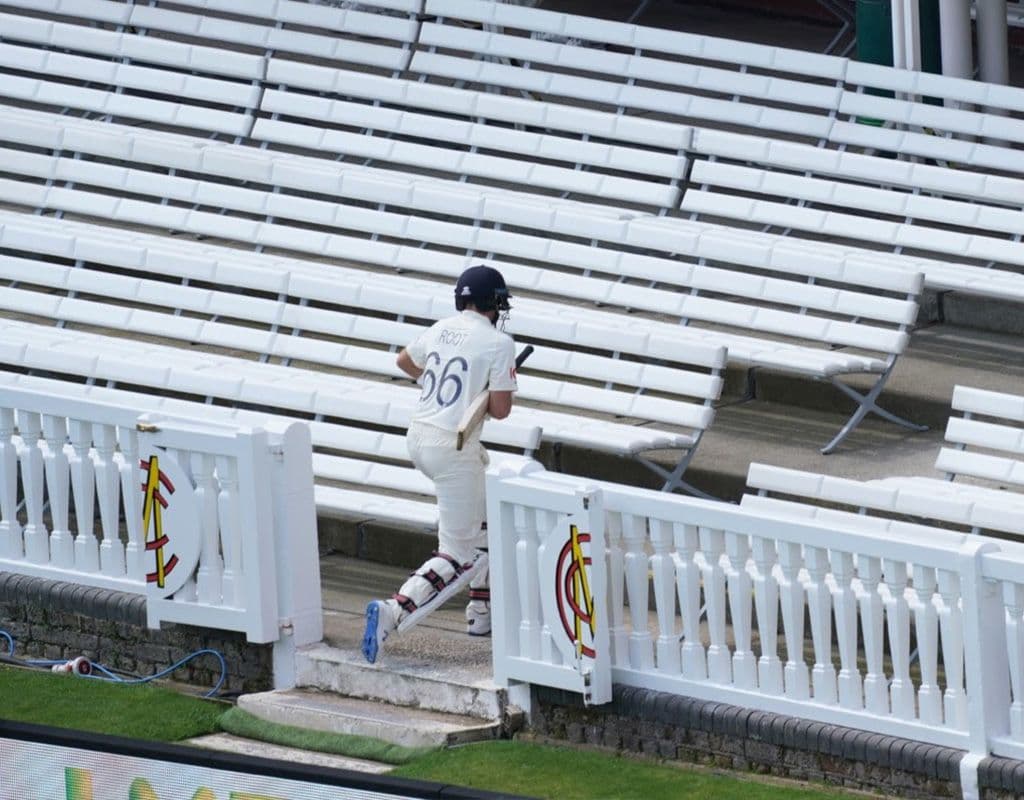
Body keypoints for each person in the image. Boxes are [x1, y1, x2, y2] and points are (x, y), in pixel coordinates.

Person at [362, 265, 519, 664]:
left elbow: (404, 361)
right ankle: (392, 612)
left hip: (420, 437)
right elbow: (500, 411)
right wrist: (481, 391)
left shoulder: (441, 327)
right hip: (454, 448)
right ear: (496, 303)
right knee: (457, 553)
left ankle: (480, 611)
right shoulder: (500, 343)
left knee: (484, 519)